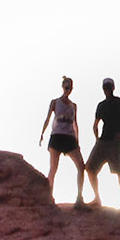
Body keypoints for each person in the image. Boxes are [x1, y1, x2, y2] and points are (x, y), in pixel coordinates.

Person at [84, 76, 120, 208]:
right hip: (104, 140)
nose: (107, 90)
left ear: (113, 88)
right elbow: (95, 124)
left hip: (116, 141)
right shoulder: (102, 105)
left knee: (119, 171)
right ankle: (97, 198)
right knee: (90, 168)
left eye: (108, 87)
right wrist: (97, 138)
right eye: (105, 87)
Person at [39, 76, 86, 206]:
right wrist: (42, 133)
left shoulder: (73, 106)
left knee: (81, 166)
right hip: (57, 136)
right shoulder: (55, 102)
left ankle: (79, 198)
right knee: (53, 168)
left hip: (69, 137)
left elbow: (75, 124)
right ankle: (48, 198)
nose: (68, 89)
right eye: (66, 87)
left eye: (70, 87)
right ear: (62, 87)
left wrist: (78, 141)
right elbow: (48, 118)